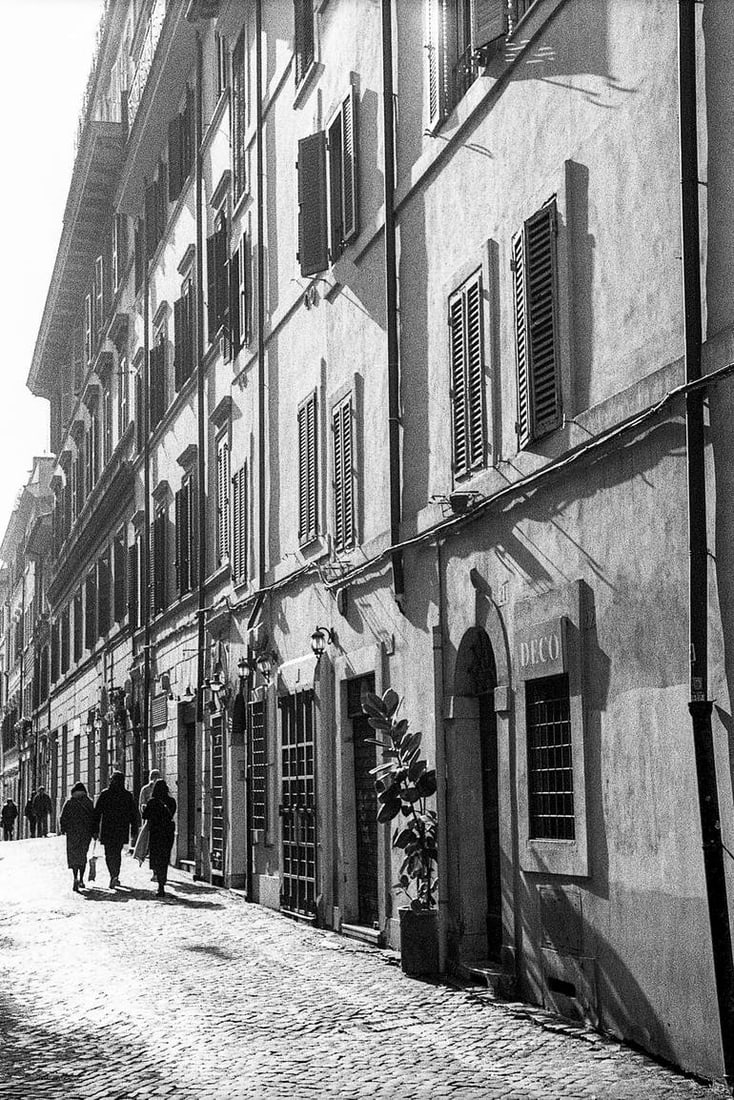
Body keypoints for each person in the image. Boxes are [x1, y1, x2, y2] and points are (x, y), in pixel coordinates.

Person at [93, 772, 140, 889]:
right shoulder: (126, 795)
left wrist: (94, 829)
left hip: (108, 829)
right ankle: (115, 875)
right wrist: (134, 828)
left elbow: (97, 813)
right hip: (120, 829)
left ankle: (113, 875)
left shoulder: (106, 794)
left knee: (109, 853)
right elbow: (133, 814)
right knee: (117, 853)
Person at [142, 779, 176, 898]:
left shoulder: (152, 802)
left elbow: (145, 816)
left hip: (156, 833)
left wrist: (144, 808)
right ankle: (162, 881)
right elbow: (171, 814)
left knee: (156, 857)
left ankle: (160, 885)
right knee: (164, 857)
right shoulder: (172, 801)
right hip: (168, 833)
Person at [59, 782, 96, 892]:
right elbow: (94, 818)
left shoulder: (69, 802)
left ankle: (75, 877)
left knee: (73, 855)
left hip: (72, 833)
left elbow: (63, 817)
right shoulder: (88, 802)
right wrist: (95, 832)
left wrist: (64, 829)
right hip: (85, 833)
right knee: (82, 855)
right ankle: (81, 879)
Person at [138, 769, 161, 879]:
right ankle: (156, 872)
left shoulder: (147, 789)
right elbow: (141, 806)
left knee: (153, 847)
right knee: (153, 847)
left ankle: (156, 872)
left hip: (152, 823)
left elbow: (141, 806)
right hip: (152, 823)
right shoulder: (146, 789)